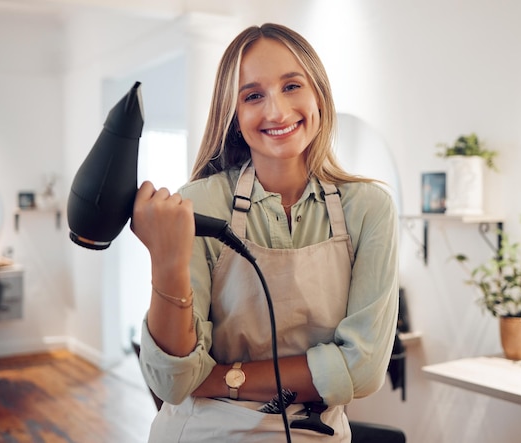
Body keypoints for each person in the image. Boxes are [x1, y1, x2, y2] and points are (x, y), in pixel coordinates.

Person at [132, 23, 399, 442]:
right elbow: (174, 379)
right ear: (234, 116)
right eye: (253, 95)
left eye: (292, 86)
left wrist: (225, 378)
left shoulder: (368, 207)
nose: (276, 111)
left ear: (319, 96)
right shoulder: (199, 204)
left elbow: (363, 370)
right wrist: (165, 262)